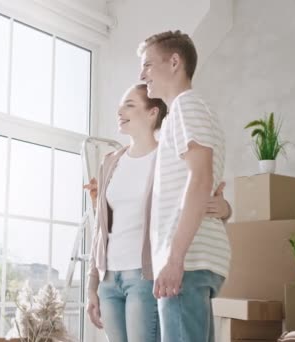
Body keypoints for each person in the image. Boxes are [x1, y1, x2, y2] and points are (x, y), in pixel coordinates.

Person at [84, 83, 231, 342]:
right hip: (109, 278)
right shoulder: (110, 161)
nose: (120, 110)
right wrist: (92, 287)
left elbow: (197, 193)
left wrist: (225, 208)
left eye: (129, 104)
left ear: (153, 112)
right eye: (120, 105)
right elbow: (102, 229)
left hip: (144, 275)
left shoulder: (168, 157)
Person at [138, 30, 230, 342]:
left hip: (187, 261)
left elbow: (201, 178)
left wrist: (174, 258)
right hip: (196, 260)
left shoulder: (185, 106)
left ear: (175, 62)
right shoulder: (189, 111)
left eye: (148, 64)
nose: (143, 74)